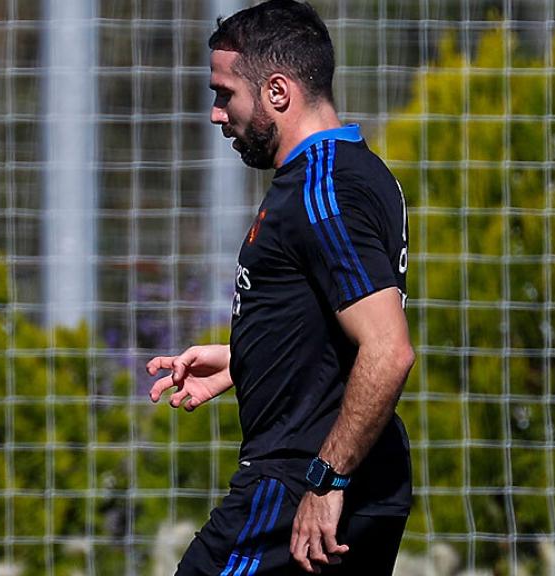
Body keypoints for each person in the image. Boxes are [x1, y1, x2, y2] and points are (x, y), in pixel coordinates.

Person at [147, 1, 414, 573]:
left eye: (225, 93)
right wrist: (242, 361)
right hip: (347, 476)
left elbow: (388, 350)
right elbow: (333, 327)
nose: (218, 114)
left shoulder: (323, 190)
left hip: (301, 480)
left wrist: (326, 480)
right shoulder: (356, 172)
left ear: (276, 91)